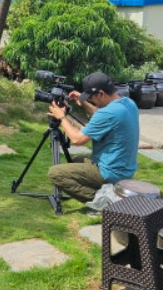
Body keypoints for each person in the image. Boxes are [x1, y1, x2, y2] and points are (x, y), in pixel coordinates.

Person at [47, 71, 140, 204]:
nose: (90, 100)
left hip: (110, 173)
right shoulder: (128, 103)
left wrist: (61, 117)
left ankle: (105, 201)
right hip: (125, 170)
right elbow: (100, 114)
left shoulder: (108, 113)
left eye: (90, 97)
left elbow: (77, 140)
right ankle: (107, 191)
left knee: (56, 173)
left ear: (101, 94)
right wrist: (84, 103)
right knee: (76, 161)